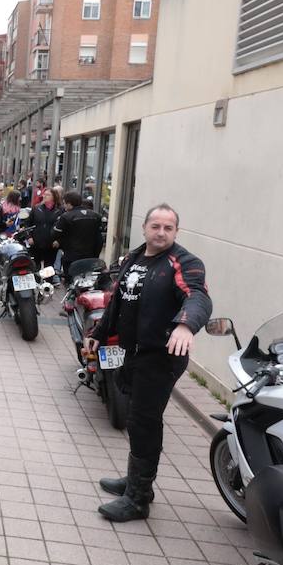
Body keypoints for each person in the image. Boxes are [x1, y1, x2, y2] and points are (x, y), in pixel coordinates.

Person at [84, 205, 211, 522]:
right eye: (156, 225)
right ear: (144, 227)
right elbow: (117, 300)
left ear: (176, 232)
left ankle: (138, 499)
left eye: (168, 227)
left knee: (144, 421)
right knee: (136, 418)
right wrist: (100, 332)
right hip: (133, 352)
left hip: (161, 356)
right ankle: (136, 480)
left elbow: (197, 295)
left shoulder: (184, 263)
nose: (161, 232)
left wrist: (186, 324)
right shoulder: (134, 258)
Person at [52, 190, 105, 277]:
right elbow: (99, 238)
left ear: (69, 204)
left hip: (71, 257)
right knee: (88, 280)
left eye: (65, 203)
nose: (64, 206)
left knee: (71, 281)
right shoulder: (96, 216)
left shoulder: (66, 216)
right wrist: (95, 255)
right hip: (90, 257)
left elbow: (55, 234)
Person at [26, 185, 62, 271]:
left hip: (51, 244)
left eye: (48, 195)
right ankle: (36, 282)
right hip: (36, 242)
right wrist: (29, 237)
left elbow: (63, 228)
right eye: (44, 194)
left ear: (54, 197)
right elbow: (28, 224)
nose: (44, 196)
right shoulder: (36, 208)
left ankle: (48, 283)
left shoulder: (60, 211)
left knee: (49, 267)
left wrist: (59, 240)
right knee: (35, 265)